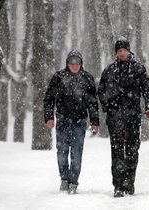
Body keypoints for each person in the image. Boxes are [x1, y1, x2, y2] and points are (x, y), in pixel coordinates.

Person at [98, 36, 149, 197]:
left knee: (132, 151)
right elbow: (101, 91)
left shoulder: (138, 69)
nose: (122, 53)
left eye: (124, 50)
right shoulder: (109, 70)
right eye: (119, 51)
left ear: (129, 51)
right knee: (116, 153)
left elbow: (147, 88)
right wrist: (108, 106)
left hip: (133, 117)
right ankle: (118, 186)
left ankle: (129, 184)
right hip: (115, 118)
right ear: (116, 52)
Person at [44, 50, 99, 194]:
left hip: (79, 122)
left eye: (77, 63)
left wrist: (94, 122)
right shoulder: (59, 77)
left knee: (76, 153)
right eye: (72, 63)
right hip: (62, 120)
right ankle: (64, 179)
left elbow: (93, 103)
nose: (75, 66)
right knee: (62, 152)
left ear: (81, 64)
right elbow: (49, 99)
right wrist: (49, 117)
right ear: (67, 63)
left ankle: (73, 182)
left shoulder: (87, 78)